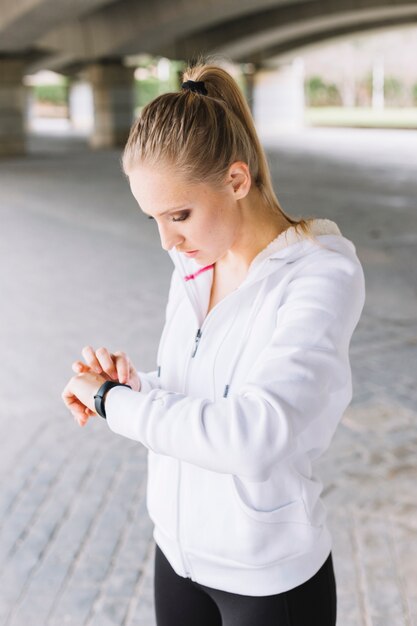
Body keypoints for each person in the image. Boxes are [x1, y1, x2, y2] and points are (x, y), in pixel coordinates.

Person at [62, 57, 366, 626]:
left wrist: (115, 404)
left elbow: (254, 434)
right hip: (176, 560)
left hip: (269, 583)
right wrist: (133, 385)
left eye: (179, 214)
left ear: (236, 179)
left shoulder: (321, 277)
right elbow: (195, 392)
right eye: (153, 218)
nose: (166, 241)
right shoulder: (193, 264)